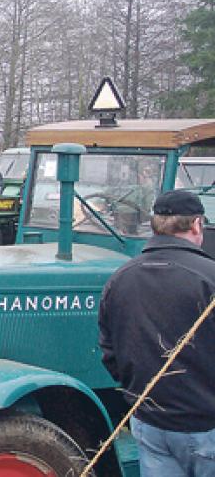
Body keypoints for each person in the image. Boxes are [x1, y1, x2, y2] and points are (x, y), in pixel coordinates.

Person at [99, 190, 215, 476]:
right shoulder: (209, 278)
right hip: (204, 426)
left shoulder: (120, 279)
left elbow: (109, 352)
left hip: (150, 422)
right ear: (197, 224)